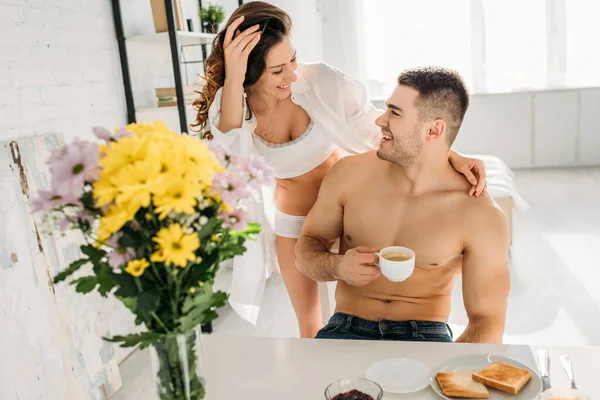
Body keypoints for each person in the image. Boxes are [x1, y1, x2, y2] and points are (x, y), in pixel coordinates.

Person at [193, 2, 488, 338]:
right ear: (246, 71)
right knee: (310, 328)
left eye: (292, 60)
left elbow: (380, 130)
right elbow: (226, 147)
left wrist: (451, 156)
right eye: (277, 71)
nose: (291, 74)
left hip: (351, 213)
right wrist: (232, 76)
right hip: (295, 224)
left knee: (361, 313)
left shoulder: (319, 81)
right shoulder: (234, 107)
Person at [295, 66, 511, 344]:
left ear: (434, 129)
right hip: (345, 329)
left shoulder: (479, 214)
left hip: (424, 336)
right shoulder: (348, 174)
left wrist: (448, 372)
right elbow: (305, 249)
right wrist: (338, 267)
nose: (380, 121)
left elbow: (488, 321)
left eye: (394, 113)